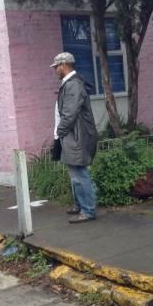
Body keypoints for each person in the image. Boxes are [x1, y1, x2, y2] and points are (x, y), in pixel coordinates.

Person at [51, 52, 98, 223]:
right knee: (75, 174)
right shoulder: (70, 83)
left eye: (56, 67)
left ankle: (88, 210)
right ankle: (80, 205)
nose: (55, 70)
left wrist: (59, 132)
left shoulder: (73, 85)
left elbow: (69, 114)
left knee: (80, 174)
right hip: (72, 135)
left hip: (75, 136)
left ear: (63, 65)